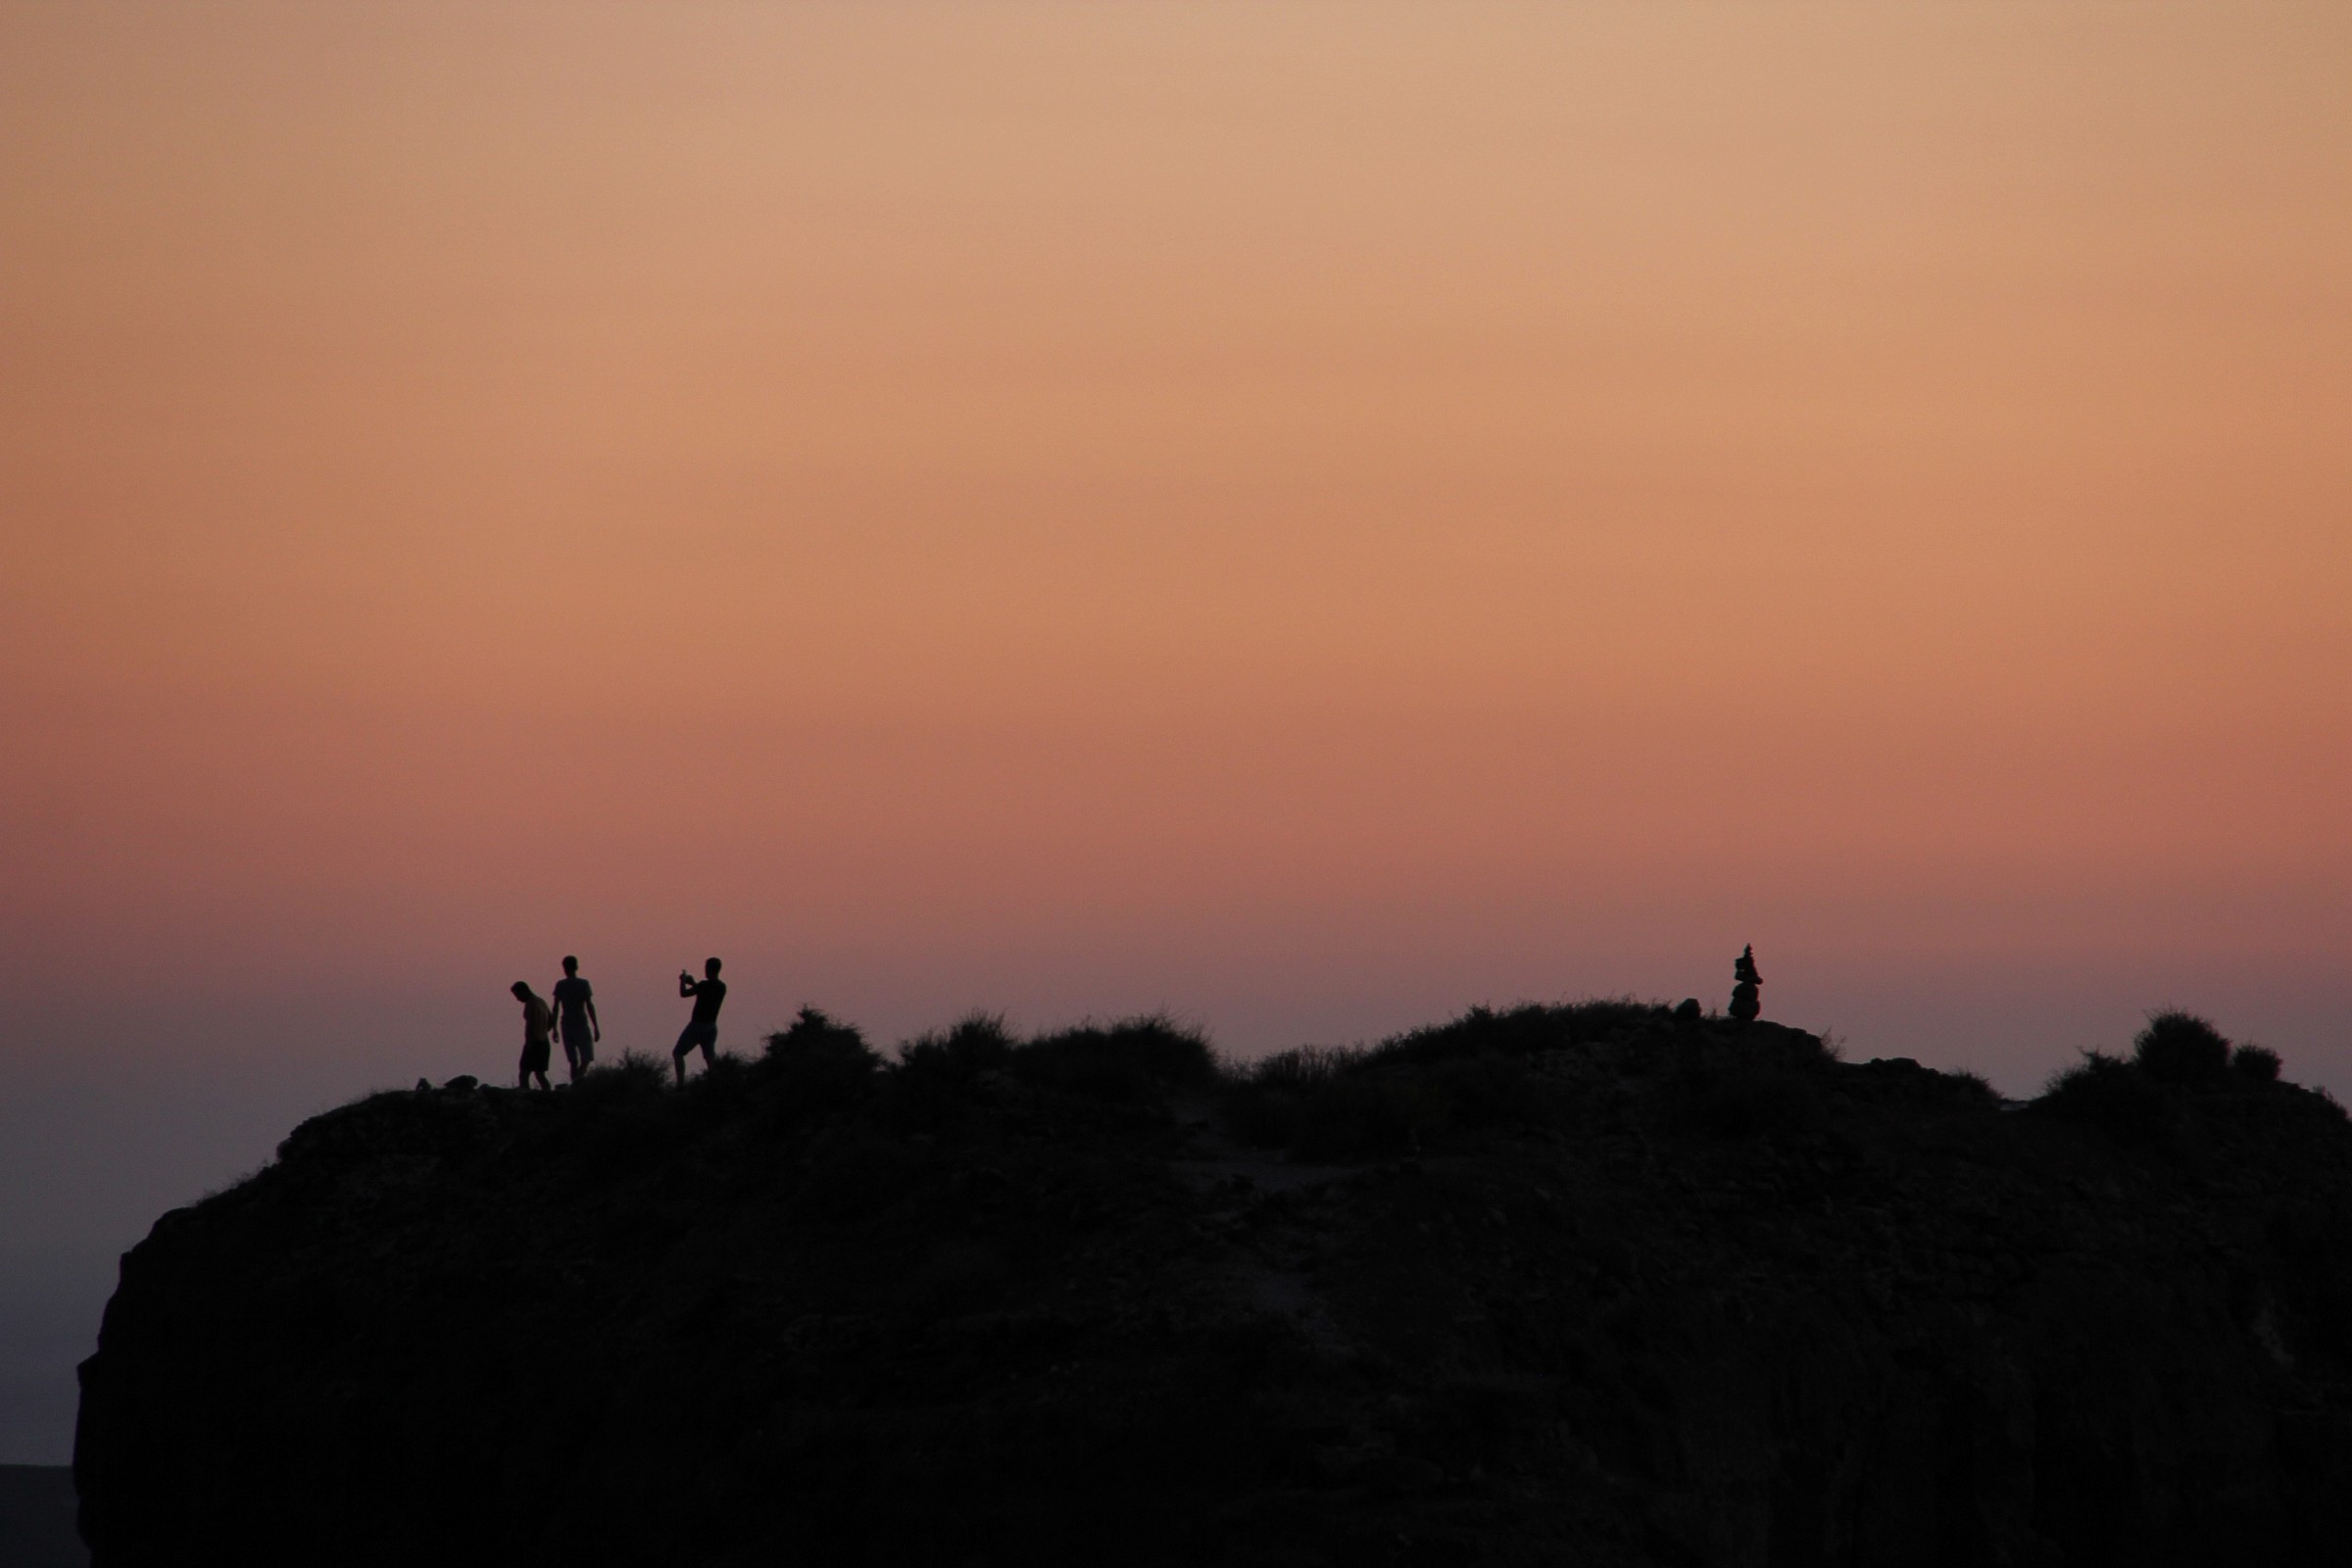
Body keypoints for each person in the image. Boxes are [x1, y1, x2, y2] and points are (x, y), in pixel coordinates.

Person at [673, 957, 727, 1085]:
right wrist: (694, 983)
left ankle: (680, 1085)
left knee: (678, 1053)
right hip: (711, 1026)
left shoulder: (704, 985)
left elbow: (684, 993)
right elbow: (705, 992)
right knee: (710, 1058)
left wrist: (683, 980)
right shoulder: (722, 987)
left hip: (697, 1025)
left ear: (709, 969)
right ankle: (715, 1084)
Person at [552, 956, 600, 1082]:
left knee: (573, 1060)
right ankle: (576, 1082)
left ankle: (575, 1082)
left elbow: (555, 1007)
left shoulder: (561, 985)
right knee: (586, 1058)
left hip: (566, 1024)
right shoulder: (583, 984)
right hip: (580, 1024)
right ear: (576, 967)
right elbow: (589, 1005)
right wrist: (596, 1027)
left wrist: (555, 1028)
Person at [512, 981, 555, 1090]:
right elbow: (551, 1021)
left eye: (518, 995)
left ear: (524, 991)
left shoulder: (531, 1004)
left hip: (534, 1043)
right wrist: (543, 1030)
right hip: (544, 1042)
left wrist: (529, 1042)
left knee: (524, 1073)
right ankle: (548, 1096)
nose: (518, 999)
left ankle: (525, 1096)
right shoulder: (541, 1002)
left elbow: (530, 1025)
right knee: (540, 1075)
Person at [1730, 944, 1762, 1024]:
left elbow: (1758, 980)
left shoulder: (1749, 966)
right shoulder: (1747, 965)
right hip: (1746, 991)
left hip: (1747, 991)